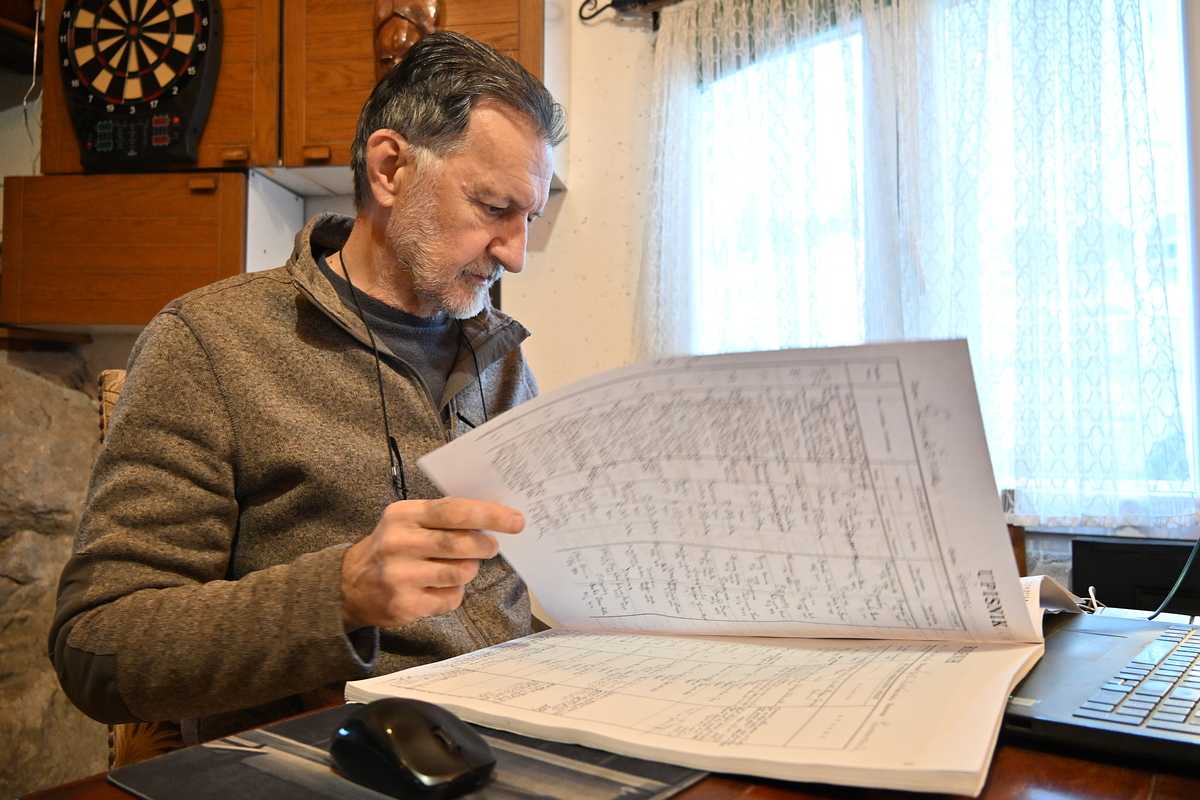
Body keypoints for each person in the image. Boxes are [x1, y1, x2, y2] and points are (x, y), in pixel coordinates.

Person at [49, 32, 565, 742]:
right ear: (390, 169)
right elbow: (97, 649)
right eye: (492, 207)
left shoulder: (502, 362)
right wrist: (341, 592)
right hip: (330, 755)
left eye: (528, 219)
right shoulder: (211, 344)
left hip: (511, 734)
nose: (515, 254)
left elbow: (501, 604)